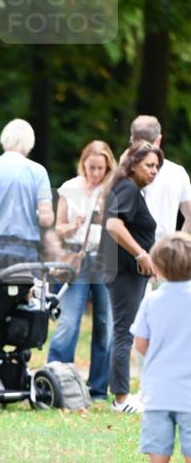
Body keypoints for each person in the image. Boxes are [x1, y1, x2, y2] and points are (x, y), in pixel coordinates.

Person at [130, 233, 191, 463]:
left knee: (159, 456)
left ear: (161, 267)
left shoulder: (152, 302)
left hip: (159, 392)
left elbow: (140, 344)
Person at [46, 140, 116, 400]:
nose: (95, 173)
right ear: (83, 164)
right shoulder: (70, 188)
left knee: (104, 323)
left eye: (101, 168)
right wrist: (73, 226)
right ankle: (56, 380)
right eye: (91, 168)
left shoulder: (113, 189)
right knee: (68, 321)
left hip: (106, 259)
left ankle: (98, 389)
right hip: (77, 258)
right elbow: (58, 227)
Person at [100, 140, 162, 413]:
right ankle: (121, 399)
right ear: (133, 165)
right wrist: (141, 255)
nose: (154, 171)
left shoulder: (129, 188)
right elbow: (114, 225)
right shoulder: (126, 187)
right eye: (149, 165)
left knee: (126, 331)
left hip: (130, 272)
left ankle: (125, 394)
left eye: (157, 166)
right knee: (124, 332)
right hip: (123, 271)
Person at [0, 118, 53, 272]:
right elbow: (46, 220)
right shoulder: (38, 171)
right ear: (30, 142)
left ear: (4, 139)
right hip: (25, 250)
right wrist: (36, 214)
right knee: (26, 295)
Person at [129, 115, 191, 239]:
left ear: (132, 140)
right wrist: (176, 246)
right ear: (158, 139)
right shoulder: (177, 172)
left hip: (130, 252)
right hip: (164, 253)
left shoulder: (122, 171)